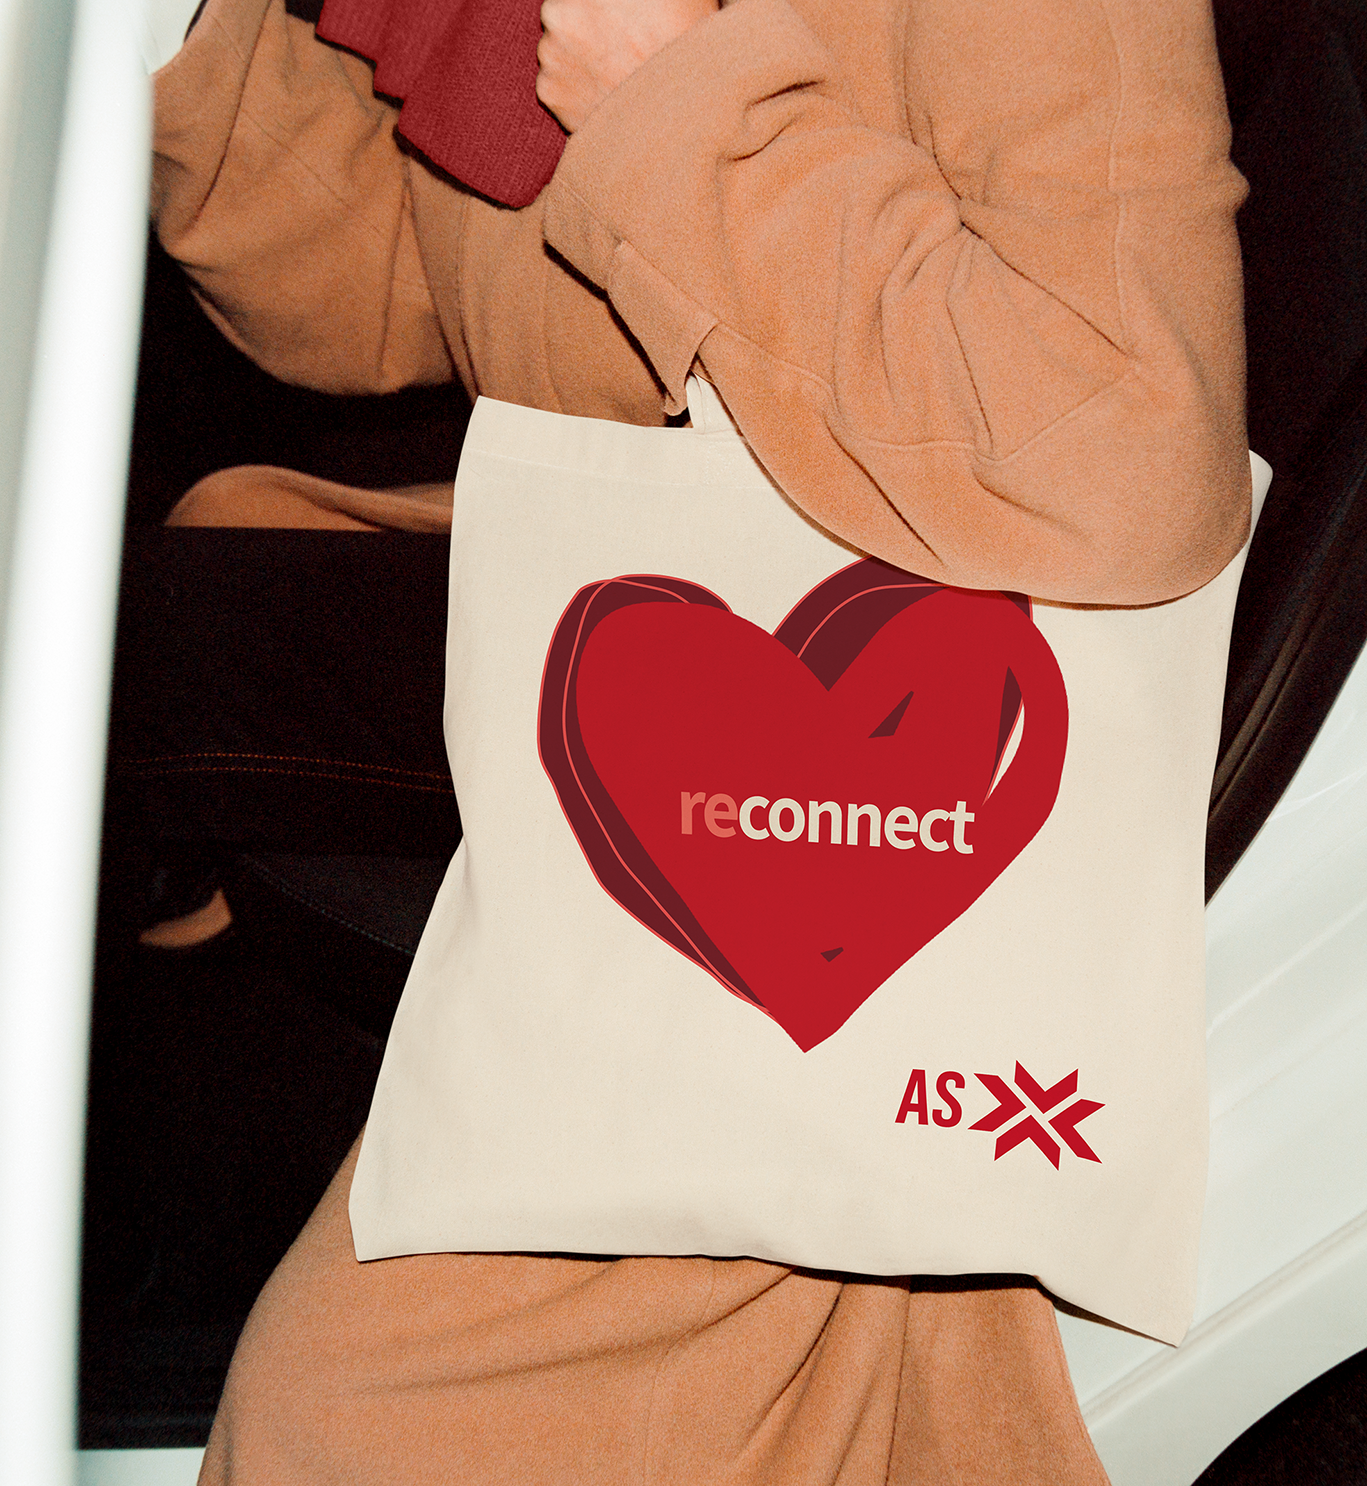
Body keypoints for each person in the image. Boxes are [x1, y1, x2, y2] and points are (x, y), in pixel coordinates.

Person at [149, 0, 1250, 1479]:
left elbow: (1121, 440)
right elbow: (413, 288)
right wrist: (176, 42)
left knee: (344, 1423)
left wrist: (683, 113)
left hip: (861, 768)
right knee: (129, 636)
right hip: (613, 649)